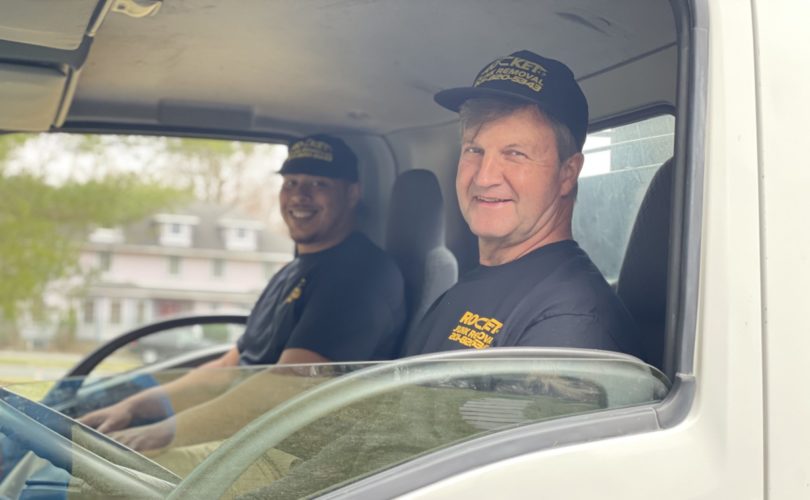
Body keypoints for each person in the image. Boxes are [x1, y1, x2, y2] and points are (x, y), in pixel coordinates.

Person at [78, 134, 407, 448]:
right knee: (87, 453)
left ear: (352, 194)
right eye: (291, 183)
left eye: (319, 184)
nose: (299, 195)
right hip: (249, 436)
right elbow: (227, 370)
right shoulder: (294, 271)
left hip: (288, 453)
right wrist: (132, 407)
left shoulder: (358, 276)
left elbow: (287, 385)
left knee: (93, 479)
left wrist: (164, 433)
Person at [402, 49, 643, 359]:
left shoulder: (570, 322)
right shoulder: (466, 288)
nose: (485, 177)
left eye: (515, 154)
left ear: (567, 173)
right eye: (474, 150)